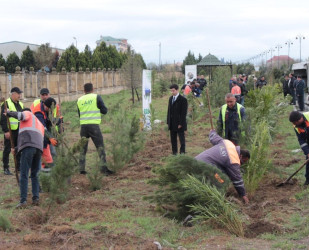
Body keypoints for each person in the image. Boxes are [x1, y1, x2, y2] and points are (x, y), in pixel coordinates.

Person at [195, 130, 250, 204]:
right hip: (207, 167)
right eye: (243, 161)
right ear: (241, 156)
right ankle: (217, 202)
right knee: (221, 181)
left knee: (221, 174)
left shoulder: (227, 143)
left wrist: (212, 132)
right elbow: (237, 180)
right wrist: (243, 195)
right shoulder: (234, 160)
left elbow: (213, 137)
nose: (242, 163)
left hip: (196, 160)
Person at [5, 108, 44, 208]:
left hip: (29, 147)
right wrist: (17, 149)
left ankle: (23, 201)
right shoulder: (38, 122)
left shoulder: (27, 114)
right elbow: (32, 138)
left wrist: (9, 113)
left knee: (24, 174)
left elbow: (20, 116)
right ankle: (36, 198)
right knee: (35, 174)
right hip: (38, 148)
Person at [77, 82, 113, 175]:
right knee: (100, 147)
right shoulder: (96, 97)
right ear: (92, 89)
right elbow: (104, 111)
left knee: (83, 149)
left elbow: (79, 114)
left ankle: (81, 169)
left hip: (83, 127)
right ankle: (103, 169)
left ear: (84, 90)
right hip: (94, 127)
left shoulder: (79, 100)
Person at [0, 87, 24, 175]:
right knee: (7, 149)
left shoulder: (20, 104)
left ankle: (18, 167)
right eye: (18, 93)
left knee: (19, 148)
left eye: (20, 93)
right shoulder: (6, 104)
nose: (20, 95)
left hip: (19, 130)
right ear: (13, 94)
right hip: (10, 131)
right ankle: (6, 168)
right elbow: (2, 119)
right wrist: (6, 131)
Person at [33, 97, 58, 173]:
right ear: (45, 105)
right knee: (42, 156)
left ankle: (47, 170)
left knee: (51, 153)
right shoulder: (38, 112)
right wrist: (50, 137)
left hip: (44, 136)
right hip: (37, 135)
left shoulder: (46, 109)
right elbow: (42, 127)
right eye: (49, 109)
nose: (50, 111)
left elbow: (48, 121)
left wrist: (58, 120)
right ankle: (39, 172)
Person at [167, 83, 188, 155]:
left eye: (173, 91)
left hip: (179, 124)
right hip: (172, 123)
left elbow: (183, 113)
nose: (172, 92)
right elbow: (169, 111)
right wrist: (168, 122)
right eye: (171, 91)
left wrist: (181, 123)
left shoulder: (183, 100)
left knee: (181, 139)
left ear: (177, 90)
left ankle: (182, 153)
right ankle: (174, 153)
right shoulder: (170, 99)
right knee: (173, 139)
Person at [289, 111, 309, 185]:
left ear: (300, 119)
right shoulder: (296, 127)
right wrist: (307, 152)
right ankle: (308, 180)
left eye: (294, 122)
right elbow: (302, 141)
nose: (294, 124)